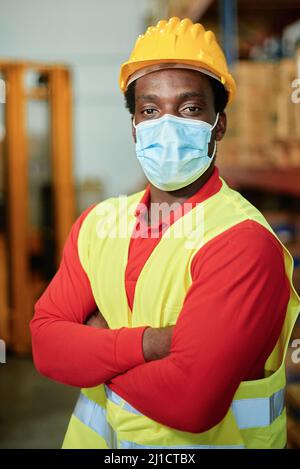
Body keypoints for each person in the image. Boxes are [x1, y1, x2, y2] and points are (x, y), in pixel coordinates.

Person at [30, 17, 300, 449]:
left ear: (220, 125)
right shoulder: (98, 223)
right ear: (134, 126)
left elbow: (190, 402)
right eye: (150, 110)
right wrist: (153, 344)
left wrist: (95, 349)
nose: (167, 125)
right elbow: (45, 347)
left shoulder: (242, 241)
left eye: (190, 108)